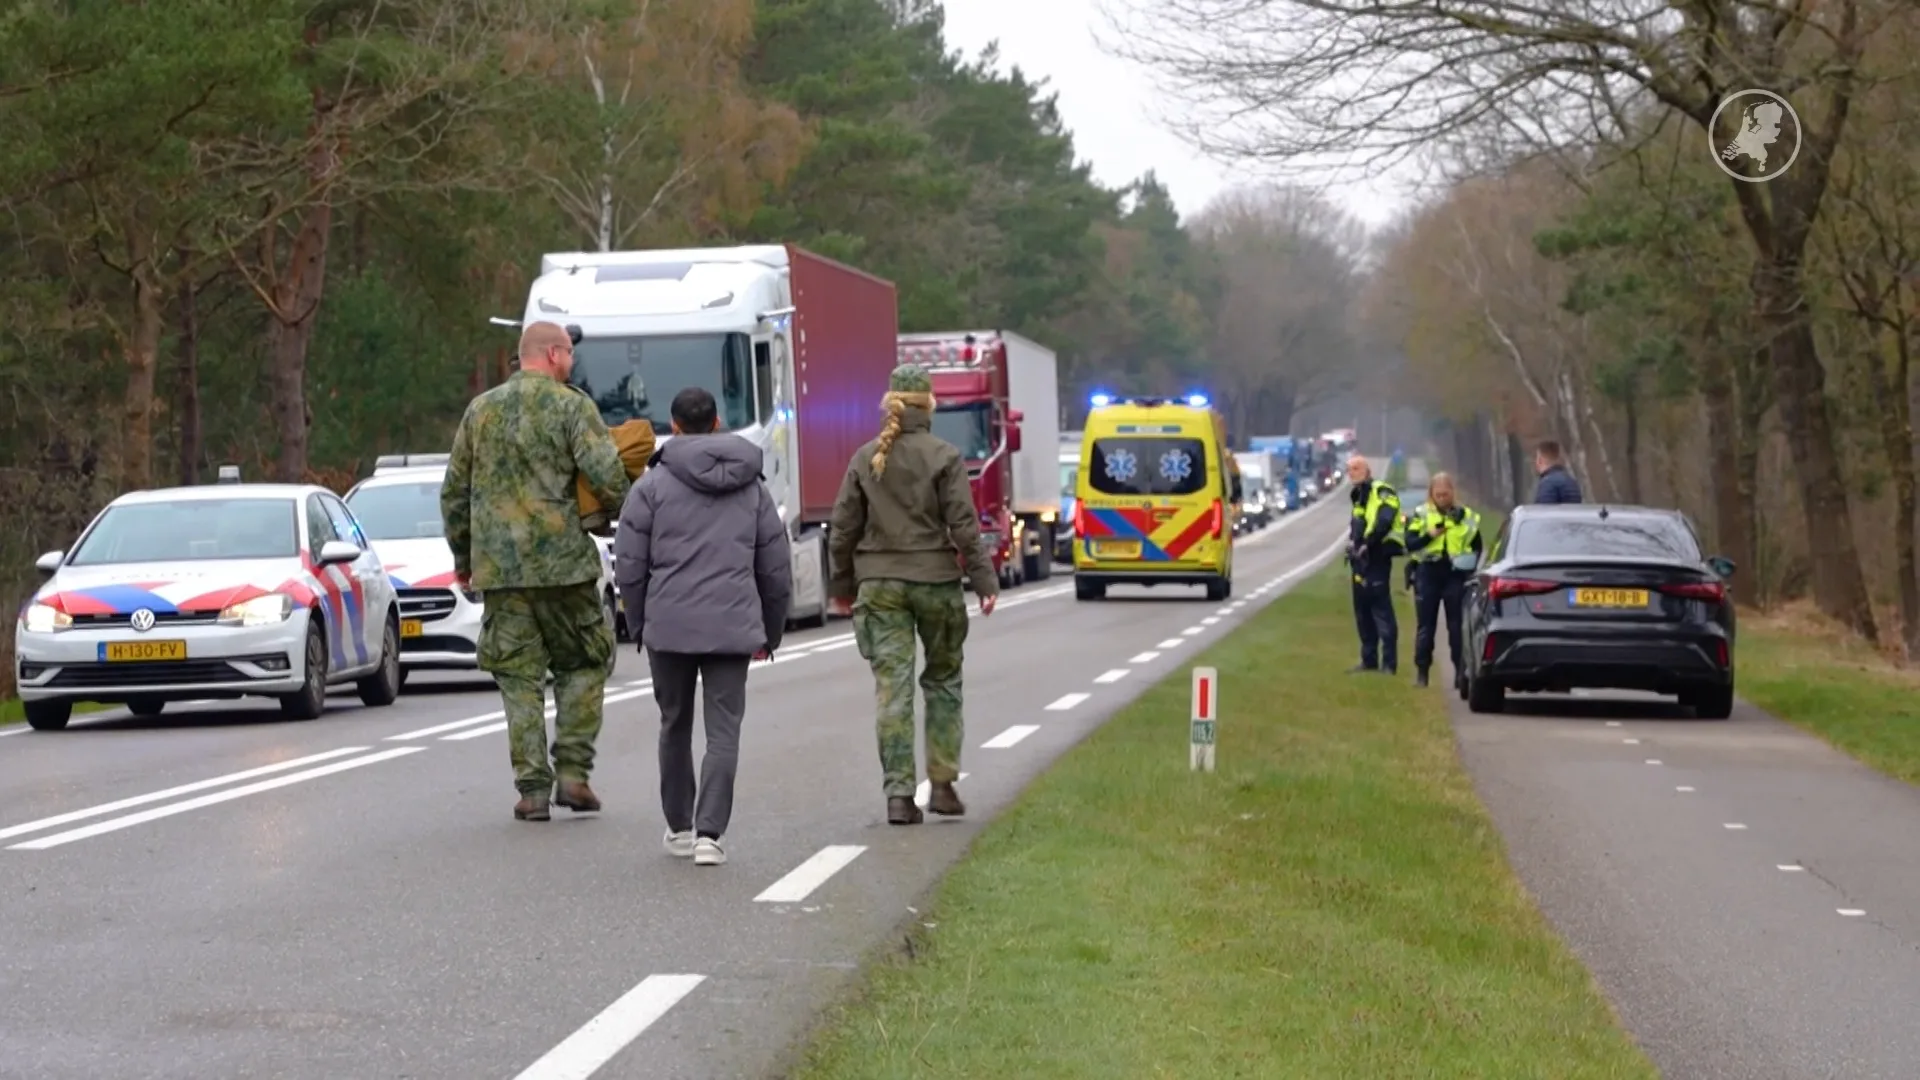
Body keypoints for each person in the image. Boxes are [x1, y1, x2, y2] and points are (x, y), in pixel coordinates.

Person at [442, 321, 629, 822]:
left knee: (518, 677)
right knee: (586, 663)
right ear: (551, 354)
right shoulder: (573, 406)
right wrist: (610, 515)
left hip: (501, 573)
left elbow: (454, 493)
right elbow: (609, 475)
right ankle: (573, 773)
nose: (571, 360)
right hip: (564, 568)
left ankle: (532, 792)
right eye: (567, 352)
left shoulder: (480, 412)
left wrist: (464, 560)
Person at [614, 386, 792, 867]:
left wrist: (639, 623)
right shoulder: (752, 487)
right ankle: (710, 835)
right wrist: (768, 632)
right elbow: (774, 568)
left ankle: (678, 826)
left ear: (673, 426)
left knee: (674, 723)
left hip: (668, 626)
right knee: (723, 731)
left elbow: (629, 564)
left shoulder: (649, 487)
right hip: (733, 625)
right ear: (716, 424)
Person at [827, 363, 999, 826]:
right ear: (931, 405)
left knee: (892, 690)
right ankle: (942, 785)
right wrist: (984, 581)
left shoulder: (865, 458)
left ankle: (899, 796)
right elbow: (964, 525)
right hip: (936, 583)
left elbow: (842, 528)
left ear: (890, 404)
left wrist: (841, 587)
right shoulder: (945, 456)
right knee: (943, 681)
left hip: (879, 588)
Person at [1401, 472, 1482, 688]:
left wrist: (1469, 566)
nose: (1442, 498)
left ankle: (1460, 672)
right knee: (1425, 626)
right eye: (1438, 495)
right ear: (1431, 494)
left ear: (1452, 493)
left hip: (1455, 574)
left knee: (1456, 626)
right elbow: (1410, 543)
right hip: (1428, 572)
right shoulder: (1421, 514)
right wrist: (1430, 535)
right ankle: (1422, 673)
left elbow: (1477, 545)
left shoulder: (1466, 516)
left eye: (1445, 494)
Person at [1344, 454, 1402, 675]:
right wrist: (1353, 544)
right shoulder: (1359, 495)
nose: (1352, 472)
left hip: (1378, 556)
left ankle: (1389, 663)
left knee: (1381, 609)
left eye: (1356, 468)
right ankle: (1368, 660)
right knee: (1362, 611)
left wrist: (1368, 543)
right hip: (1360, 560)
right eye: (1349, 469)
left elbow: (1385, 520)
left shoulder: (1382, 491)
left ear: (1367, 470)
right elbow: (1357, 525)